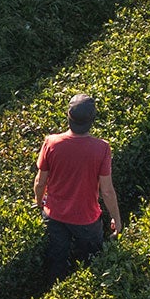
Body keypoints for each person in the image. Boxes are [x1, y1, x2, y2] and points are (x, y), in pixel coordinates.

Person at [34, 93, 121, 278]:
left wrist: (39, 201)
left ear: (68, 116)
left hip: (54, 216)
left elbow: (40, 181)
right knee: (92, 261)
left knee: (57, 261)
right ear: (92, 120)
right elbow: (107, 190)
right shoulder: (101, 148)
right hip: (87, 219)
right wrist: (116, 219)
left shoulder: (51, 142)